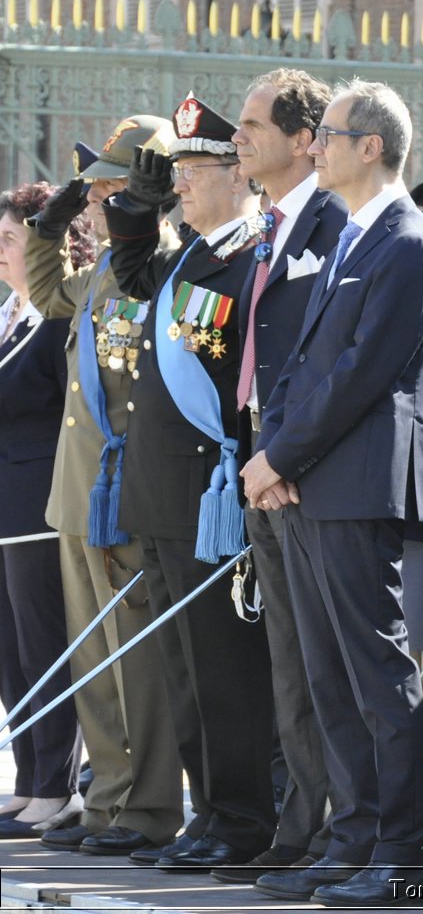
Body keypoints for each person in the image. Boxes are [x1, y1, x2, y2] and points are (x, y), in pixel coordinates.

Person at [243, 79, 423, 906]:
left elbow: (360, 375)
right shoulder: (358, 236)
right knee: (330, 676)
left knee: (377, 674)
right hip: (312, 477)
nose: (315, 146)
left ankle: (402, 856)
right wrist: (275, 453)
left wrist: (281, 453)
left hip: (358, 480)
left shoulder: (407, 241)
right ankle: (356, 835)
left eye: (328, 134)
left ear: (372, 146)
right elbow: (301, 363)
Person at [104, 94, 278, 873]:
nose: (182, 185)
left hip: (208, 497)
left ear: (239, 174)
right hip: (161, 494)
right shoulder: (187, 258)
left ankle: (241, 818)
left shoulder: (250, 259)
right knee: (181, 669)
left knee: (224, 671)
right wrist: (138, 197)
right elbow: (134, 265)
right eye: (175, 172)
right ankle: (207, 809)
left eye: (195, 170)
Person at [22, 120, 185, 858]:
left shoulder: (163, 269)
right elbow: (48, 287)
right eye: (98, 185)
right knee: (91, 660)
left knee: (135, 662)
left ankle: (147, 806)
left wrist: (134, 220)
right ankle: (107, 799)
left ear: (149, 190)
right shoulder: (102, 276)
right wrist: (51, 219)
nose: (99, 197)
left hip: (122, 492)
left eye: (115, 184)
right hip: (76, 493)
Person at [219, 67, 348, 884]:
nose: (241, 137)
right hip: (263, 452)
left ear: (306, 140)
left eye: (254, 124)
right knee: (288, 659)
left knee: (327, 659)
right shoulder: (266, 224)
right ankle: (302, 824)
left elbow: (335, 361)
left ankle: (343, 827)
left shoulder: (333, 222)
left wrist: (286, 455)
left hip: (305, 464)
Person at [0, 182, 82, 840]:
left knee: (43, 647)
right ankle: (28, 778)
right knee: (9, 652)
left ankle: (55, 786)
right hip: (4, 510)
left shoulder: (56, 320)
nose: (0, 250)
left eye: (9, 238)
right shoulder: (10, 314)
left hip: (36, 505)